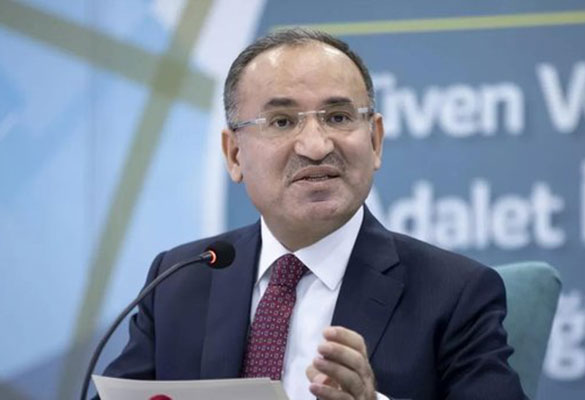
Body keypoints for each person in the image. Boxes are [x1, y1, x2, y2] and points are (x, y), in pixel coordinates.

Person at [102, 28, 527, 400]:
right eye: (282, 122)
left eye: (338, 117)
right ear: (234, 155)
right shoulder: (179, 281)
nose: (316, 146)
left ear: (375, 141)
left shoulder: (454, 294)